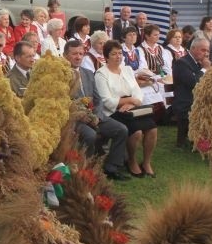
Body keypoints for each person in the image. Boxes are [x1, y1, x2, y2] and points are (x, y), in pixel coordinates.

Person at [64, 40, 129, 180]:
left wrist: (98, 116)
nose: (78, 57)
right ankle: (87, 170)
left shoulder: (87, 72)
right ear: (65, 55)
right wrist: (80, 115)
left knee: (121, 129)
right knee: (90, 135)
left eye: (81, 53)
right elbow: (63, 103)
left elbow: (98, 99)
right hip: (75, 119)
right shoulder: (61, 75)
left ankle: (111, 167)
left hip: (95, 115)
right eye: (74, 54)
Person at [95, 40, 158, 178]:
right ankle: (132, 161)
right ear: (106, 57)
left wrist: (133, 103)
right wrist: (128, 100)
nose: (118, 56)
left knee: (152, 129)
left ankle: (146, 162)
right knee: (136, 132)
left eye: (119, 53)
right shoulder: (101, 74)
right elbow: (106, 101)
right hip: (114, 112)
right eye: (114, 54)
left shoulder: (127, 70)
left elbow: (137, 91)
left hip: (132, 109)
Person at [172, 37, 211, 149]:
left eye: (208, 51)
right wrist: (205, 69)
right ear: (193, 48)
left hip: (197, 102)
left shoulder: (199, 63)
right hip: (185, 103)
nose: (206, 54)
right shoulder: (181, 63)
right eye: (203, 50)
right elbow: (194, 83)